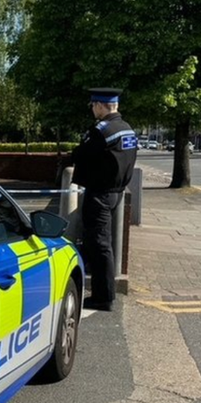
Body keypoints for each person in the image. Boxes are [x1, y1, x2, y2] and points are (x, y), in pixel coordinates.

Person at [71, 88, 137, 311]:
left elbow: (81, 154)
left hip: (99, 194)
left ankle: (103, 297)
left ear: (100, 105)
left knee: (99, 244)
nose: (92, 109)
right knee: (99, 243)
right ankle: (101, 292)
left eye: (93, 105)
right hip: (116, 193)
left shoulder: (102, 131)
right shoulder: (127, 129)